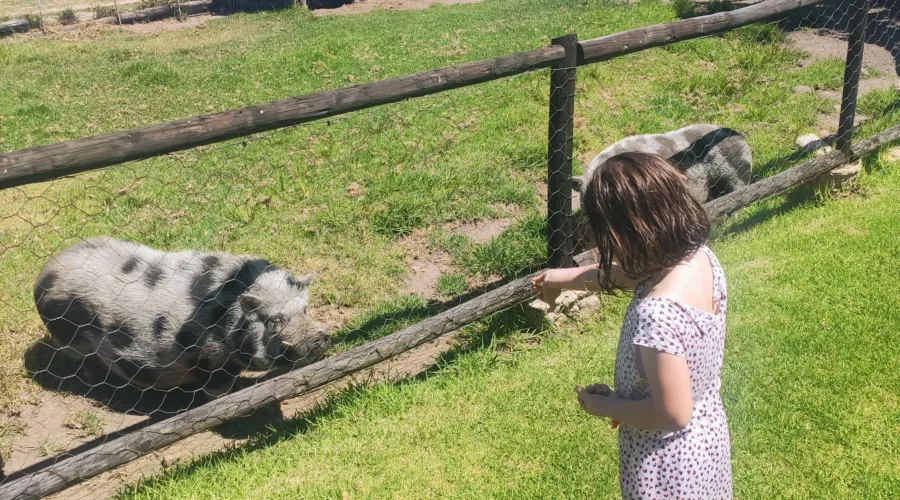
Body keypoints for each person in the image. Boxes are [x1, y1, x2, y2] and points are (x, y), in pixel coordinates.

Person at [532, 152, 732, 498]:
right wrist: (563, 278)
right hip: (706, 443)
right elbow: (627, 276)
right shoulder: (699, 258)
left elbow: (672, 413)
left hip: (668, 467)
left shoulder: (656, 314)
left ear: (627, 235)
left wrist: (607, 406)